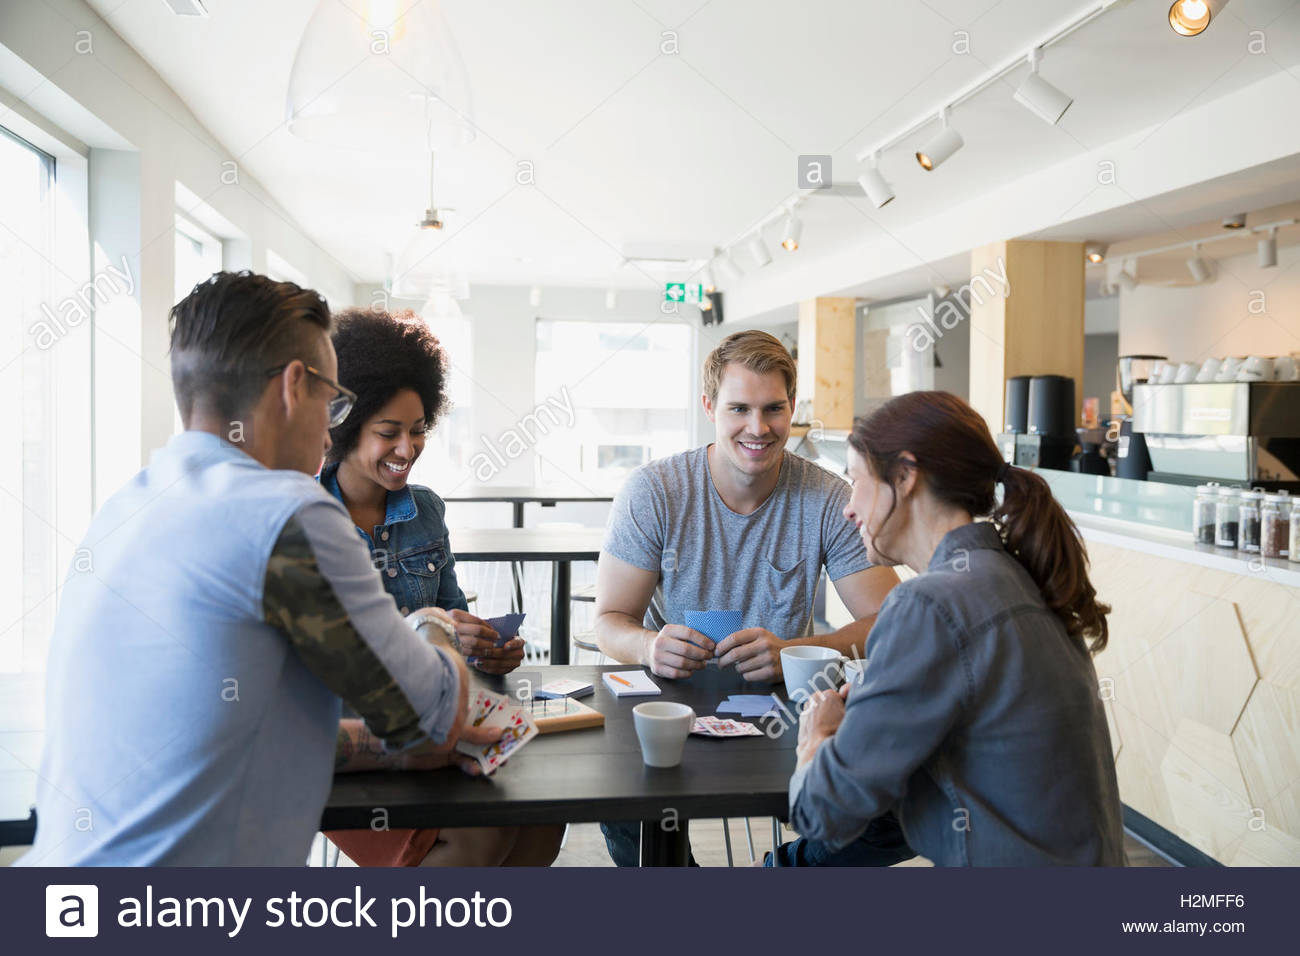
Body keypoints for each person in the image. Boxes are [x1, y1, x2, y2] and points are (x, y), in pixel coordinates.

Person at [20, 272, 498, 866]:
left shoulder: (125, 507)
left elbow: (230, 735)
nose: (331, 428)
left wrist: (389, 744)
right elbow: (432, 718)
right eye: (335, 403)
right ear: (297, 386)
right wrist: (435, 625)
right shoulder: (288, 515)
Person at [593, 329, 902, 867]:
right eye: (739, 408)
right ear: (710, 406)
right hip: (672, 697)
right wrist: (648, 647)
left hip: (783, 710)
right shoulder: (655, 491)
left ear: (791, 409)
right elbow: (608, 621)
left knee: (888, 812)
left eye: (773, 409)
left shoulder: (828, 497)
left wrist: (803, 649)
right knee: (620, 797)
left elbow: (891, 622)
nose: (758, 429)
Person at [789, 390, 1125, 866]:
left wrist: (816, 737)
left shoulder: (929, 604)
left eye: (856, 480)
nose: (849, 507)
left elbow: (822, 813)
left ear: (905, 476)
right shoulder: (1020, 575)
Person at [319, 307, 561, 866]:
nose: (408, 448)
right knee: (481, 835)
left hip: (437, 723)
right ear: (343, 425)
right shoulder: (305, 516)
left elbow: (450, 615)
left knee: (544, 812)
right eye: (388, 432)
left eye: (419, 428)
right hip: (347, 745)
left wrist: (483, 647)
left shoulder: (425, 510)